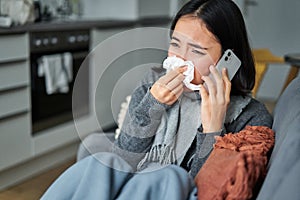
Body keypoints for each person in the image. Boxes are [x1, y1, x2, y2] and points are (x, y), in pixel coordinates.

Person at [42, 0, 273, 199]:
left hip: (170, 189)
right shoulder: (153, 82)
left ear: (228, 59)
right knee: (103, 160)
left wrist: (213, 129)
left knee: (166, 175)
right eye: (175, 44)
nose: (179, 60)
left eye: (197, 51)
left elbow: (204, 188)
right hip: (135, 182)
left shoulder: (251, 117)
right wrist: (152, 106)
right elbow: (124, 159)